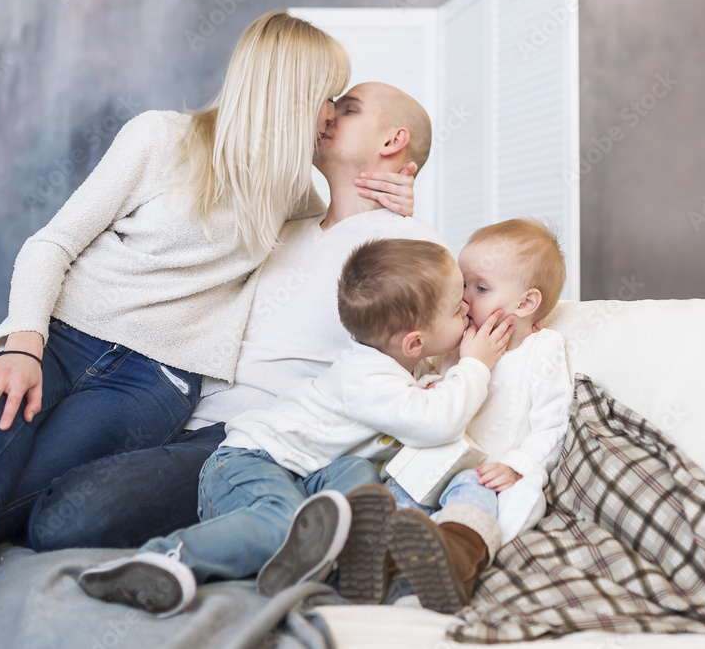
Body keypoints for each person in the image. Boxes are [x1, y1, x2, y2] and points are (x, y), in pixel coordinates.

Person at [0, 13, 420, 649]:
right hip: (53, 341)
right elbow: (51, 244)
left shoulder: (293, 196)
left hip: (152, 383)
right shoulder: (158, 138)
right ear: (286, 92)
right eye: (327, 98)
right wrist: (23, 346)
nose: (330, 116)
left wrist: (392, 198)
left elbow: (345, 231)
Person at [24, 82, 445, 551]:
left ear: (392, 142)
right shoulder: (283, 224)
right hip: (170, 407)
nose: (325, 115)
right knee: (20, 475)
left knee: (65, 518)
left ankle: (290, 512)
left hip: (257, 437)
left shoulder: (414, 248)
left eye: (347, 109)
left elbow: (436, 348)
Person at [77, 239, 515, 615]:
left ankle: (309, 565)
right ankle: (165, 560)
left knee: (362, 489)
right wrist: (475, 365)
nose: (469, 313)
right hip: (249, 464)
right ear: (414, 342)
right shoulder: (365, 377)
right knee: (279, 520)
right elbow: (436, 422)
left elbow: (416, 407)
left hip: (308, 473)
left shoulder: (393, 371)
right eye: (460, 309)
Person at [337, 218, 573, 614]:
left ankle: (449, 559)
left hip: (488, 472)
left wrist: (518, 466)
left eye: (479, 288)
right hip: (434, 458)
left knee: (505, 499)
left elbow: (553, 423)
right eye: (462, 285)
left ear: (525, 304)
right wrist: (428, 386)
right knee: (396, 493)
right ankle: (381, 561)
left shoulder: (542, 351)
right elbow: (429, 379)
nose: (463, 299)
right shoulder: (458, 341)